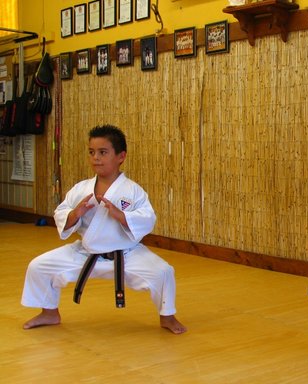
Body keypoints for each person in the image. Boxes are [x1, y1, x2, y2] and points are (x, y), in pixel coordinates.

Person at [21, 125, 187, 334]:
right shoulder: (81, 188)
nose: (96, 158)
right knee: (39, 266)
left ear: (121, 156)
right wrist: (76, 213)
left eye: (103, 152)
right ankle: (49, 312)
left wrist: (121, 215)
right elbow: (62, 212)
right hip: (86, 252)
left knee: (163, 272)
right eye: (92, 152)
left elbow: (148, 218)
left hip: (127, 253)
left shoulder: (133, 191)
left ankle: (167, 317)